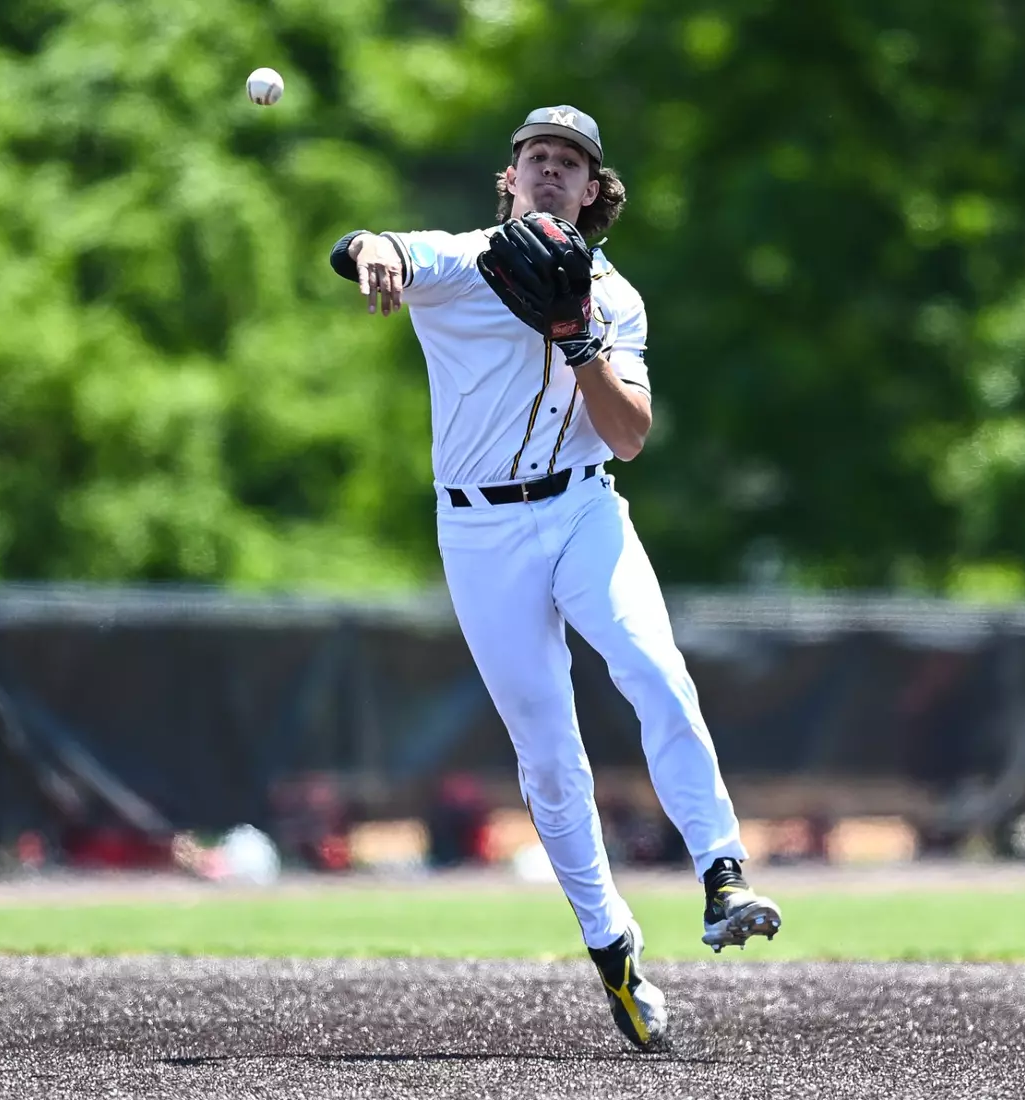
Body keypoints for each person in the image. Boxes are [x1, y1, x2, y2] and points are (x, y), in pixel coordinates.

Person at [328, 105, 781, 1051]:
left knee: (654, 668)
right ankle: (611, 947)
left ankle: (723, 871)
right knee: (548, 753)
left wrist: (578, 336)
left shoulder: (616, 300)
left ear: (592, 191)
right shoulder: (461, 262)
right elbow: (376, 247)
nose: (548, 169)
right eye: (535, 155)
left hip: (581, 507)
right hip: (480, 533)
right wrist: (368, 250)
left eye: (568, 161)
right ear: (510, 176)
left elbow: (629, 436)